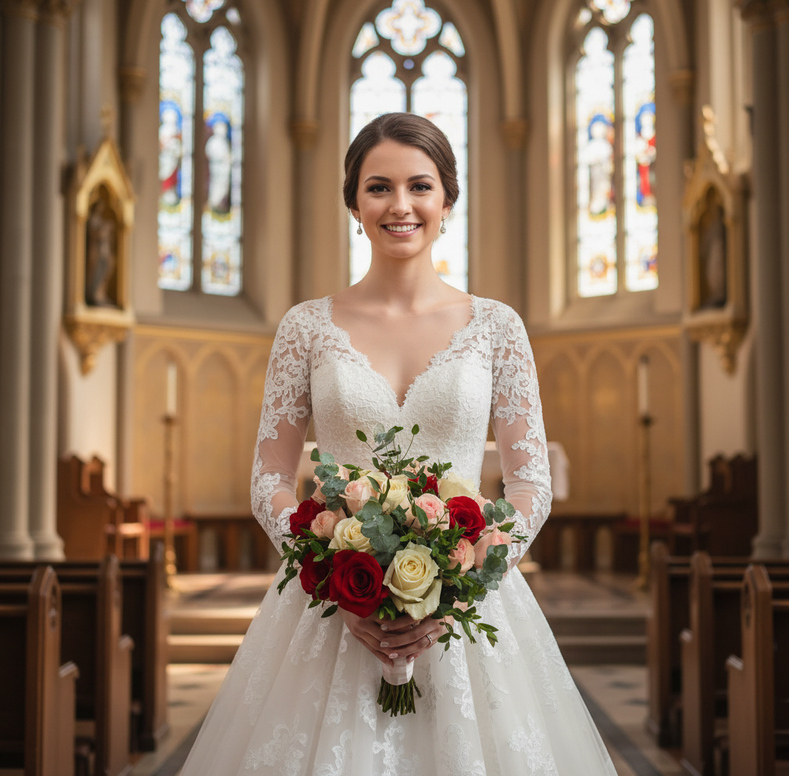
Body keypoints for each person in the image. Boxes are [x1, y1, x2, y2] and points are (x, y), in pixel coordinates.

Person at [180, 113, 617, 775]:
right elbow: (268, 478)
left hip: (467, 608)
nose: (401, 205)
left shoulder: (498, 327)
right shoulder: (305, 328)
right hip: (331, 612)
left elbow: (531, 486)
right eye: (379, 187)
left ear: (448, 199)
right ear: (353, 202)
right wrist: (329, 576)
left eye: (420, 186)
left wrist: (464, 583)